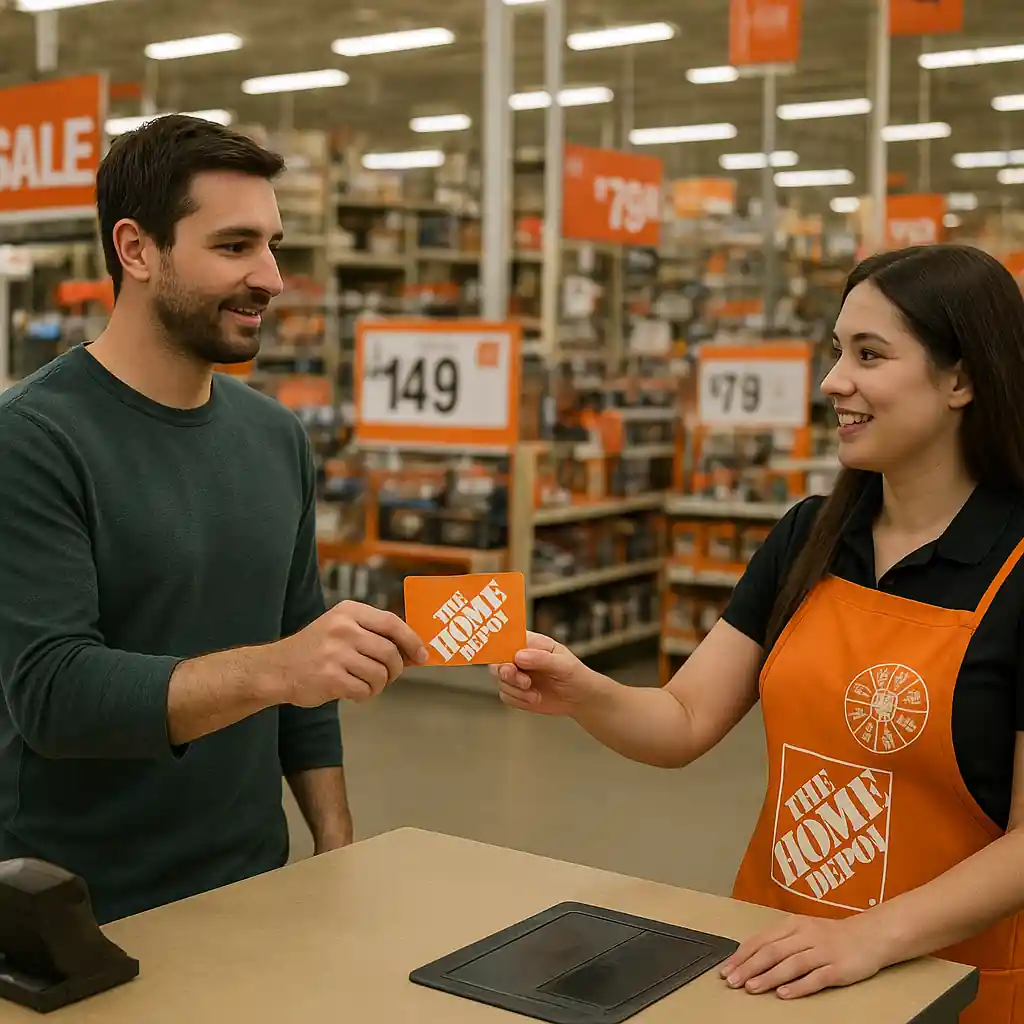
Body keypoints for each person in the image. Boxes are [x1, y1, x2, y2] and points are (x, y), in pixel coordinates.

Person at [495, 244, 1024, 1023]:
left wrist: (872, 936)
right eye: (836, 350)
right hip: (773, 963)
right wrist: (583, 691)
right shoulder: (810, 537)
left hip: (947, 986)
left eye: (869, 355)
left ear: (961, 380)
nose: (832, 380)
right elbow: (684, 720)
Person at [0, 115, 427, 924]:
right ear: (136, 250)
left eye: (272, 246)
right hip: (78, 910)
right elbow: (54, 692)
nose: (271, 277)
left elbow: (305, 655)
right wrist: (280, 668)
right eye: (235, 247)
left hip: (254, 887)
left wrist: (335, 844)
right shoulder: (33, 440)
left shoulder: (275, 438)